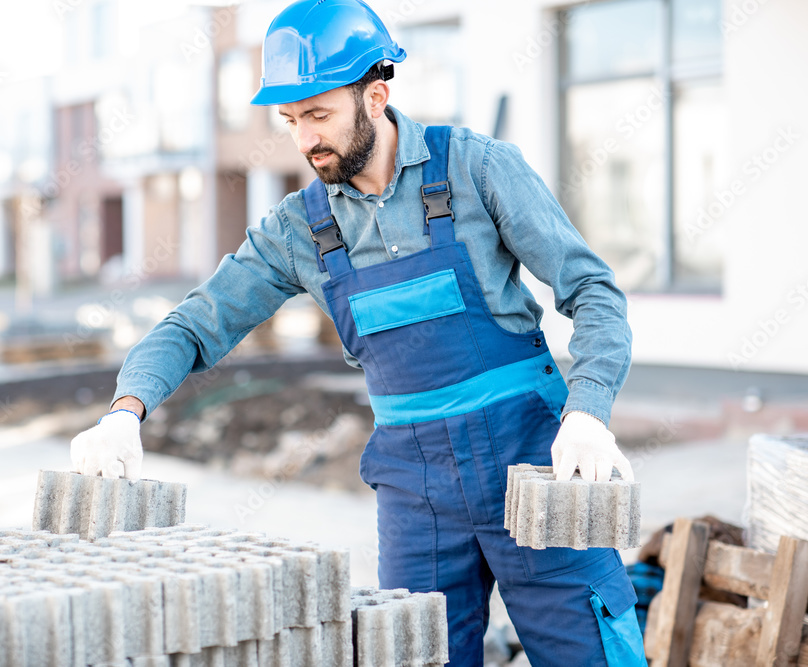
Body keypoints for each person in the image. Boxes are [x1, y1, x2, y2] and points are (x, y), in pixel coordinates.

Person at [71, 0, 647, 664]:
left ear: (376, 97)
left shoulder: (478, 169)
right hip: (416, 491)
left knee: (592, 650)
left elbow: (594, 291)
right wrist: (124, 410)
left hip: (535, 462)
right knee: (414, 652)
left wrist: (589, 411)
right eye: (290, 120)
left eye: (318, 115)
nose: (304, 139)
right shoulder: (297, 230)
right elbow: (195, 323)